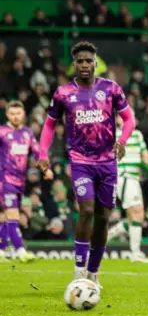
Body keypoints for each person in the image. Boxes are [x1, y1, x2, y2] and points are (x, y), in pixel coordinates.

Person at [37, 41, 136, 286]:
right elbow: (49, 124)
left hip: (107, 162)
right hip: (80, 161)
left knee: (103, 218)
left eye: (88, 61)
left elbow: (129, 119)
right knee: (87, 210)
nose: (84, 65)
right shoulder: (63, 93)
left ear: (95, 63)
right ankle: (79, 269)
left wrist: (122, 140)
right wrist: (42, 153)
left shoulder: (111, 89)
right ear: (74, 64)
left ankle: (93, 272)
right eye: (79, 60)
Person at [0, 101, 53, 262]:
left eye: (19, 113)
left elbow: (37, 153)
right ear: (7, 115)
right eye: (12, 113)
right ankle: (20, 251)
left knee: (3, 217)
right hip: (4, 180)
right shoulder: (2, 132)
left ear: (23, 114)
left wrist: (46, 169)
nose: (16, 116)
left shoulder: (28, 133)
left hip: (19, 182)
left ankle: (0, 251)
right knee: (13, 214)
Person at [107, 113, 148, 263]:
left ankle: (110, 234)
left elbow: (146, 158)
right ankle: (135, 253)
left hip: (134, 179)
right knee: (137, 212)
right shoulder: (112, 133)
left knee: (135, 215)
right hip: (123, 176)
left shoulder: (137, 135)